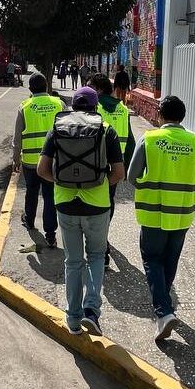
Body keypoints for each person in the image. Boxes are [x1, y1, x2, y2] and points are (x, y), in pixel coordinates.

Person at [37, 87, 125, 336]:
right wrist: (96, 184)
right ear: (96, 106)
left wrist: (65, 183)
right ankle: (91, 311)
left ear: (73, 106)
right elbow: (119, 173)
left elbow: (42, 170)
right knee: (96, 256)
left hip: (65, 205)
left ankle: (73, 320)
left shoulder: (57, 128)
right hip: (97, 206)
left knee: (73, 261)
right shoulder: (106, 129)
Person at [127, 96, 195, 342]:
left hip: (153, 213)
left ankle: (163, 311)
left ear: (160, 115)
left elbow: (132, 176)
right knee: (170, 260)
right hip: (182, 214)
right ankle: (165, 302)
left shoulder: (150, 139)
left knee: (152, 259)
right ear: (182, 116)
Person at [89, 72, 136, 269]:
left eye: (91, 86)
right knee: (108, 202)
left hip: (95, 165)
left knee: (93, 205)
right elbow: (131, 140)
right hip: (115, 167)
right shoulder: (123, 109)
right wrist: (127, 167)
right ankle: (104, 236)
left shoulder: (94, 106)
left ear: (99, 89)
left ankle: (101, 247)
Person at [12, 72, 64, 247]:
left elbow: (17, 137)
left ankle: (30, 220)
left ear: (30, 88)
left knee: (32, 191)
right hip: (53, 162)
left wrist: (15, 159)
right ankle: (51, 235)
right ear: (46, 87)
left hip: (31, 160)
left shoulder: (25, 106)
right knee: (50, 196)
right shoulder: (59, 104)